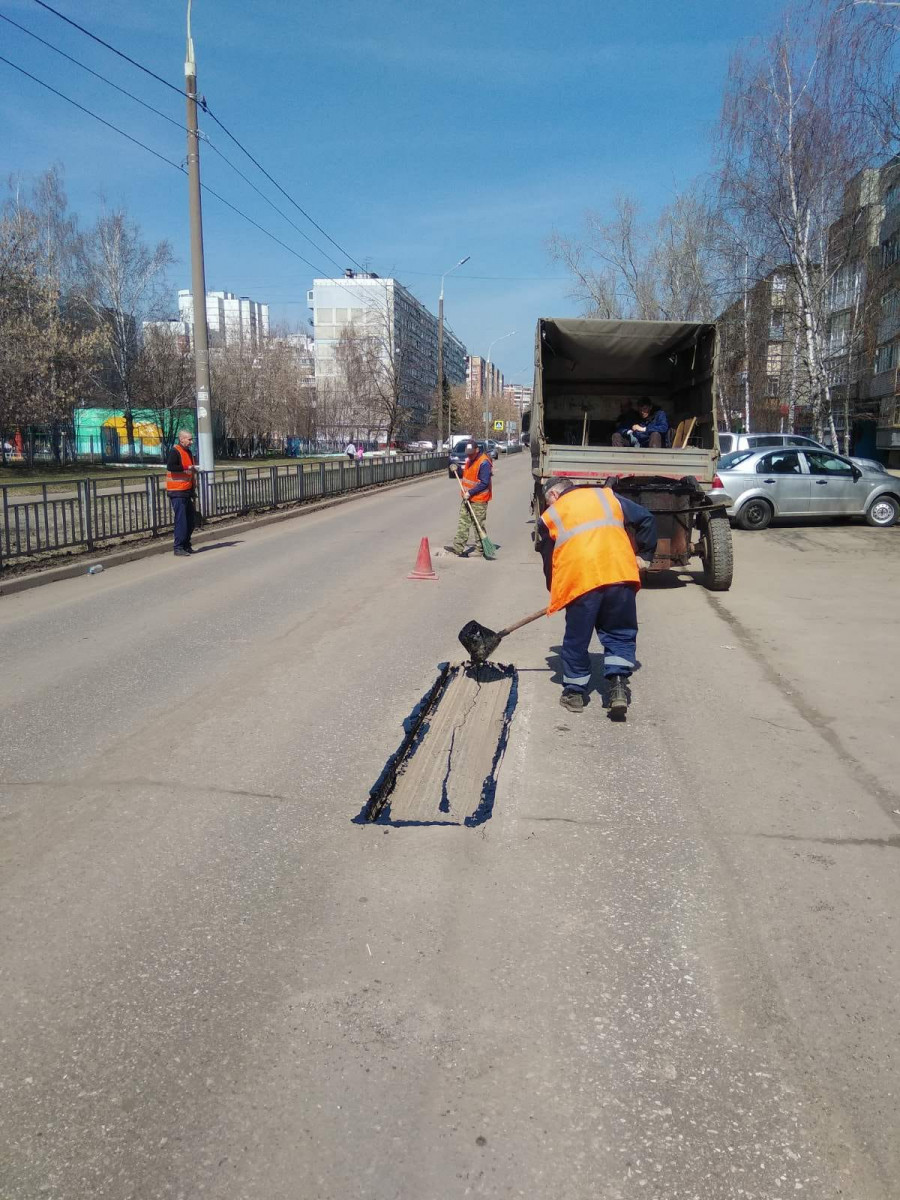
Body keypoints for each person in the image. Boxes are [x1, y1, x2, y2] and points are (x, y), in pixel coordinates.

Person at [536, 476, 657, 718]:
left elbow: (551, 563)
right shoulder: (607, 496)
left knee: (577, 639)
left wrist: (558, 593)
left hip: (582, 581)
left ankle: (575, 692)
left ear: (553, 496)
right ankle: (618, 688)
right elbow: (646, 518)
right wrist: (645, 555)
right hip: (620, 574)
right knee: (619, 632)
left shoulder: (550, 516)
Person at [445, 441, 493, 558]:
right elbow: (467, 474)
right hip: (468, 498)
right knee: (463, 522)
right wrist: (457, 469)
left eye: (471, 453)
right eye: (468, 453)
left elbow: (484, 483)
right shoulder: (470, 460)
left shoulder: (484, 462)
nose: (469, 455)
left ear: (477, 450)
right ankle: (458, 547)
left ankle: (480, 549)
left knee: (478, 525)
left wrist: (470, 492)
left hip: (479, 499)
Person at [166, 429, 201, 557]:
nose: (191, 442)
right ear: (182, 439)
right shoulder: (175, 451)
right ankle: (178, 547)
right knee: (182, 521)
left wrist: (193, 487)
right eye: (189, 439)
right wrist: (188, 468)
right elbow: (171, 466)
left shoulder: (188, 452)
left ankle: (186, 544)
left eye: (191, 439)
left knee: (190, 520)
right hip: (177, 491)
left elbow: (189, 471)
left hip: (187, 491)